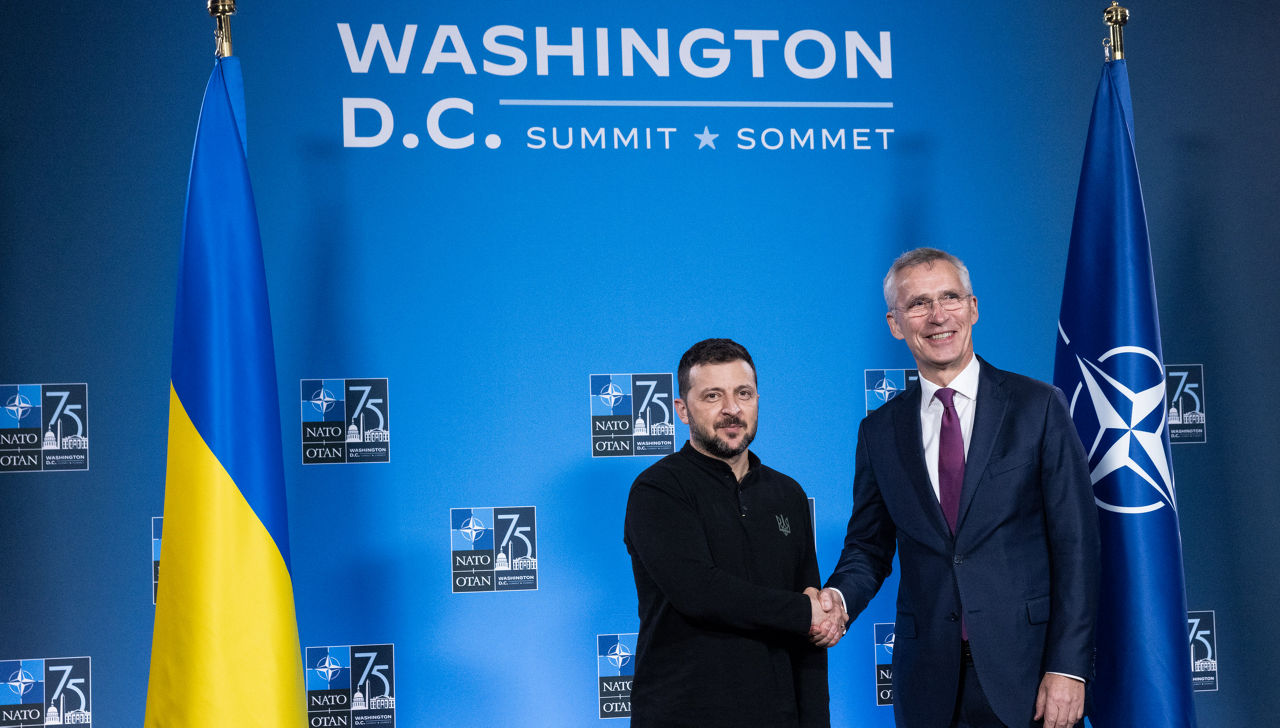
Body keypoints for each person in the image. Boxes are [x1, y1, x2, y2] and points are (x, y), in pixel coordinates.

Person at [820, 249, 1100, 728]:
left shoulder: (1038, 408)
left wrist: (1068, 666)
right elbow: (868, 547)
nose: (938, 316)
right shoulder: (879, 431)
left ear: (973, 308)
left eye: (950, 297)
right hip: (928, 680)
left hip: (1030, 677)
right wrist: (838, 602)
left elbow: (1077, 547)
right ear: (895, 323)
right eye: (918, 304)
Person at [624, 338, 837, 727]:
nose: (731, 409)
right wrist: (801, 611)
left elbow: (811, 631)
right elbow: (700, 592)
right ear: (682, 411)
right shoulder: (658, 490)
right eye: (712, 396)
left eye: (743, 393)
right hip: (683, 715)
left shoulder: (787, 494)